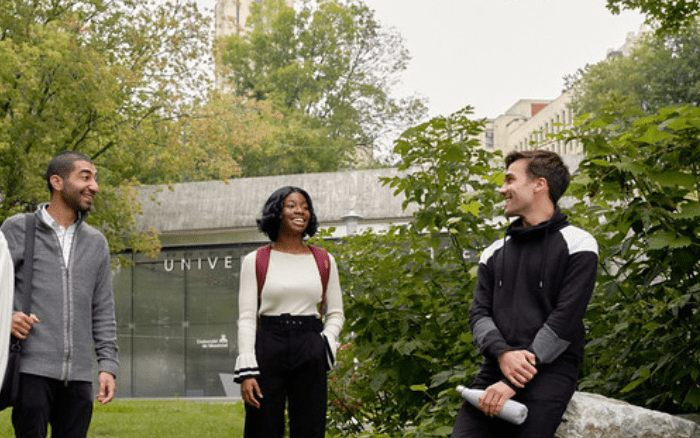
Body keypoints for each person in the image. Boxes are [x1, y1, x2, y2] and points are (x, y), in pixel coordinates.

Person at [451, 150, 598, 438]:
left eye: (510, 180)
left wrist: (512, 381)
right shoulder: (494, 252)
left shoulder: (579, 244)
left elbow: (565, 320)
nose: (502, 189)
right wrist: (503, 354)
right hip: (496, 366)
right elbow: (479, 314)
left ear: (539, 185)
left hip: (550, 371)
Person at [1, 151, 119, 438]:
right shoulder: (17, 229)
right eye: (85, 177)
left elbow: (102, 308)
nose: (94, 186)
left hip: (78, 378)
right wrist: (7, 320)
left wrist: (107, 365)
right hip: (30, 371)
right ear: (57, 181)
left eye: (95, 178)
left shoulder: (96, 243)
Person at [233, 186, 344, 438]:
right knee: (263, 426)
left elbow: (335, 312)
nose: (300, 212)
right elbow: (248, 318)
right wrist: (247, 369)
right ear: (277, 212)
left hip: (310, 344)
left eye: (305, 207)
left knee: (310, 427)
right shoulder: (256, 260)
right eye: (292, 205)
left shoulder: (324, 259)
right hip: (269, 343)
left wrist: (327, 341)